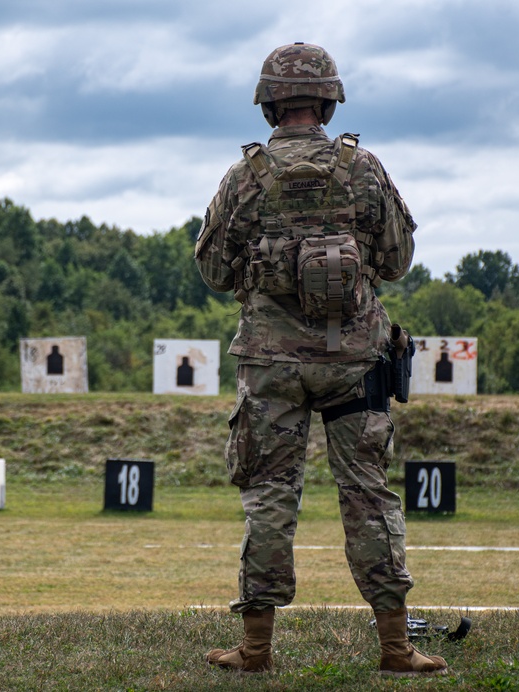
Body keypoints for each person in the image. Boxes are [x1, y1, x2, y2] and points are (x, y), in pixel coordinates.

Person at [194, 42, 448, 677]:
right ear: (330, 100)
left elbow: (214, 269)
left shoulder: (244, 177)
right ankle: (395, 649)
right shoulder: (363, 168)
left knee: (269, 497)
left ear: (270, 103)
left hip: (271, 365)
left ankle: (255, 651)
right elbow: (395, 260)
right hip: (354, 361)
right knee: (368, 495)